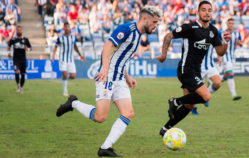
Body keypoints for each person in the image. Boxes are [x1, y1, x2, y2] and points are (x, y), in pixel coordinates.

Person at [56, 6, 161, 157]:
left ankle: (105, 147)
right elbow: (108, 46)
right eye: (154, 22)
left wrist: (127, 77)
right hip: (108, 77)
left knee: (128, 113)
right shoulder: (127, 29)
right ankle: (73, 103)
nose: (155, 26)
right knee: (100, 117)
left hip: (119, 78)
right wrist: (104, 69)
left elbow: (120, 57)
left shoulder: (138, 35)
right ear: (144, 19)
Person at [157, 1, 230, 136]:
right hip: (186, 69)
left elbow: (220, 52)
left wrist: (225, 42)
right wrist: (163, 54)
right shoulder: (189, 27)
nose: (207, 12)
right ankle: (175, 101)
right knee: (206, 96)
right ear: (198, 12)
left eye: (209, 10)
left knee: (189, 105)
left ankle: (166, 128)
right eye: (203, 10)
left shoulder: (213, 31)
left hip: (196, 70)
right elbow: (169, 36)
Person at [52, 22, 85, 96]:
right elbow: (55, 46)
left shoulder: (73, 37)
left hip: (70, 59)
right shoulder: (60, 38)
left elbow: (75, 46)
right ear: (63, 28)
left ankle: (64, 78)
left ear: (69, 28)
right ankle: (65, 90)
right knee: (64, 73)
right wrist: (53, 55)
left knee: (73, 76)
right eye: (65, 27)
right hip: (63, 59)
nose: (67, 28)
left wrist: (80, 55)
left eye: (68, 27)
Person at [191, 45, 222, 115]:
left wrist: (219, 57)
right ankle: (194, 108)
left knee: (218, 83)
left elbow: (218, 46)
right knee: (195, 89)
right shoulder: (194, 34)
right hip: (197, 66)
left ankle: (205, 94)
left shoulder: (214, 34)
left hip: (210, 66)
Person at [218, 18, 243, 101]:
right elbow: (218, 45)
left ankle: (214, 82)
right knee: (230, 74)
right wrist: (219, 57)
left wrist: (240, 43)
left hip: (233, 57)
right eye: (230, 23)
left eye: (232, 23)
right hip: (225, 56)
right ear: (227, 24)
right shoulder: (221, 33)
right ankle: (234, 94)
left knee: (226, 75)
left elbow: (240, 43)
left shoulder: (237, 33)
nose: (231, 25)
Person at [7, 26, 31, 94]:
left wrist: (28, 49)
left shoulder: (25, 39)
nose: (19, 31)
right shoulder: (13, 39)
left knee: (23, 74)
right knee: (16, 71)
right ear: (16, 31)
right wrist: (9, 53)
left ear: (22, 31)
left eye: (20, 30)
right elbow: (9, 45)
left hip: (23, 59)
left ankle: (20, 87)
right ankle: (18, 84)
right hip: (16, 59)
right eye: (18, 30)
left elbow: (30, 48)